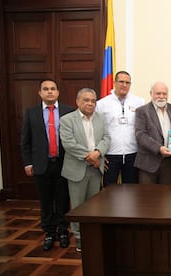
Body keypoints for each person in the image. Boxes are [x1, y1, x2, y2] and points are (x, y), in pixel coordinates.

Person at [20, 79, 75, 251]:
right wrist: (28, 162)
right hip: (41, 165)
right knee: (45, 201)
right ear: (40, 93)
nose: (49, 92)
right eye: (46, 89)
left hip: (63, 163)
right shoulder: (32, 113)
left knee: (63, 200)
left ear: (58, 92)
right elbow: (25, 141)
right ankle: (49, 232)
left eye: (53, 89)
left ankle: (63, 230)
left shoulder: (68, 111)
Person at [60, 88, 110, 252]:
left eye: (93, 101)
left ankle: (92, 236)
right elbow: (69, 144)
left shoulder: (101, 119)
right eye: (86, 100)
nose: (90, 103)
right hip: (77, 170)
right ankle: (80, 239)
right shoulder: (67, 120)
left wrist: (98, 153)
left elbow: (106, 138)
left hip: (95, 171)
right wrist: (91, 157)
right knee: (77, 207)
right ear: (78, 101)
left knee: (93, 206)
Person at [95, 71, 145, 186]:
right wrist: (100, 154)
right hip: (110, 155)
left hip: (133, 154)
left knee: (132, 190)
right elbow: (96, 130)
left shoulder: (139, 102)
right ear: (114, 83)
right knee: (109, 191)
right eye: (121, 82)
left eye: (127, 82)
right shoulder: (102, 104)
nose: (124, 85)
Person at [134, 81, 171, 184]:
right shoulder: (142, 111)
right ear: (151, 93)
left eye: (164, 93)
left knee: (166, 196)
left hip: (168, 162)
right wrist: (159, 148)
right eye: (158, 93)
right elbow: (140, 135)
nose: (161, 96)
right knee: (148, 197)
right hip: (148, 162)